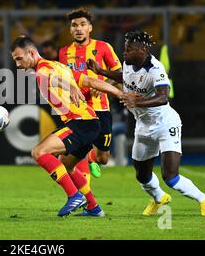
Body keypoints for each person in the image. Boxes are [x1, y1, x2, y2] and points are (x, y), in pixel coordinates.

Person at [88, 30, 205, 217]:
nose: (124, 53)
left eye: (128, 50)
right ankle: (159, 198)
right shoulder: (129, 64)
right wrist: (101, 71)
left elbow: (163, 97)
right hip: (143, 126)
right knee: (142, 175)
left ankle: (204, 200)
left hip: (165, 124)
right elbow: (123, 76)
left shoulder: (156, 69)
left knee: (170, 176)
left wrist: (136, 102)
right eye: (125, 49)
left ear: (142, 50)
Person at [11, 36, 124, 217]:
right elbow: (91, 81)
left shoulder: (43, 70)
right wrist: (119, 92)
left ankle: (74, 196)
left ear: (31, 53)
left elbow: (50, 79)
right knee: (67, 166)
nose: (17, 64)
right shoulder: (61, 66)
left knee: (38, 152)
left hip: (81, 123)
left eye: (19, 58)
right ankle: (94, 208)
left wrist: (68, 86)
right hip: (90, 123)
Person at [59, 7, 123, 182]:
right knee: (69, 158)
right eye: (74, 25)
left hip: (101, 108)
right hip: (79, 111)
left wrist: (105, 85)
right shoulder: (64, 52)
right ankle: (84, 196)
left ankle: (90, 157)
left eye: (82, 24)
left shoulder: (103, 47)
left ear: (90, 28)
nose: (78, 29)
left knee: (103, 158)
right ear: (70, 29)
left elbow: (120, 75)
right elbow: (65, 79)